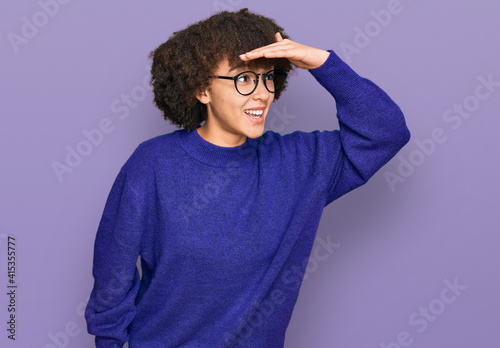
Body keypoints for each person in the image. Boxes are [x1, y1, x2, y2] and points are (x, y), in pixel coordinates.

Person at [84, 8, 410, 348]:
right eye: (243, 79)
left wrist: (323, 63)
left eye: (268, 77)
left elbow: (385, 132)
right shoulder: (152, 164)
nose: (262, 93)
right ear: (202, 90)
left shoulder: (301, 164)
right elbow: (113, 271)